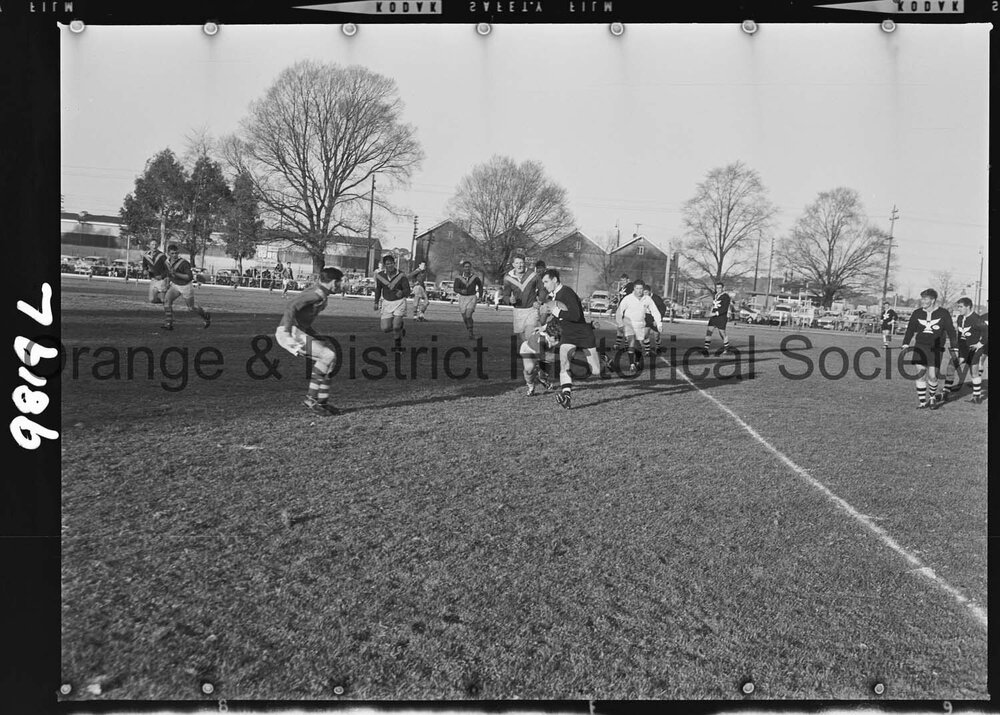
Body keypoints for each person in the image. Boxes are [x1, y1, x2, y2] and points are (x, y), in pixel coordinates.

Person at [275, 267, 344, 416]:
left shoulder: (321, 294)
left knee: (331, 359)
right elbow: (291, 306)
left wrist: (315, 334)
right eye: (340, 282)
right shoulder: (318, 294)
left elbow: (302, 320)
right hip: (290, 332)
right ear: (333, 282)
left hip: (296, 330)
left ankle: (322, 402)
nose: (340, 286)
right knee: (328, 356)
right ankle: (311, 399)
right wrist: (287, 332)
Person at [541, 269, 604, 410]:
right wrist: (544, 327)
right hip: (568, 335)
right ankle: (566, 397)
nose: (544, 285)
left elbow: (575, 316)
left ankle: (603, 358)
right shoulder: (554, 296)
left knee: (596, 371)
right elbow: (558, 318)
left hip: (583, 334)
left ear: (555, 280)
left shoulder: (567, 292)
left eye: (546, 281)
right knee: (564, 364)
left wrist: (557, 311)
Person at [901, 288, 960, 410]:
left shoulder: (943, 313)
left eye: (926, 299)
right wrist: (906, 343)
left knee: (933, 376)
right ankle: (922, 402)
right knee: (920, 374)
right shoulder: (917, 313)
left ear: (933, 300)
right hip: (920, 346)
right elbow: (910, 329)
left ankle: (932, 397)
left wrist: (955, 346)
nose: (923, 301)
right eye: (922, 298)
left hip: (936, 347)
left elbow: (951, 331)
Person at [943, 297, 988, 404]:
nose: (959, 309)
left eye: (961, 307)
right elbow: (959, 335)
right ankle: (946, 392)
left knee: (974, 372)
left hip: (974, 350)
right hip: (962, 349)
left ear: (968, 307)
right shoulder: (959, 318)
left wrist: (979, 344)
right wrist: (956, 348)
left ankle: (976, 397)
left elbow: (987, 333)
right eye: (958, 306)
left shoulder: (977, 319)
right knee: (951, 366)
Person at [614, 280, 662, 374]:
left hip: (640, 324)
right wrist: (620, 324)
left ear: (643, 289)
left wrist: (659, 323)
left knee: (639, 345)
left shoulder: (647, 299)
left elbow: (655, 311)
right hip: (628, 324)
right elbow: (619, 311)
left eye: (641, 289)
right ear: (634, 289)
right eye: (637, 288)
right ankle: (632, 365)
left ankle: (636, 362)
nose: (639, 291)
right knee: (631, 341)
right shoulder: (628, 298)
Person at [161, 244, 211, 331]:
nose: (175, 255)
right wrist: (167, 283)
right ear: (168, 253)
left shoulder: (184, 263)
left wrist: (176, 273)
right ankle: (168, 323)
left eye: (176, 253)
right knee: (166, 301)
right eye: (172, 253)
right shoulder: (166, 262)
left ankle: (205, 315)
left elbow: (189, 277)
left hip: (185, 286)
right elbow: (168, 274)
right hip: (175, 285)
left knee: (191, 308)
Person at [500, 255, 545, 342]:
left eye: (521, 263)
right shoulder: (508, 278)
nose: (520, 265)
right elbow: (505, 295)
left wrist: (539, 301)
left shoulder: (533, 275)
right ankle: (530, 353)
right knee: (523, 337)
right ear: (513, 264)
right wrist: (509, 300)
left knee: (529, 334)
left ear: (524, 263)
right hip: (518, 311)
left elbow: (542, 289)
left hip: (532, 309)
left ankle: (535, 351)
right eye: (517, 263)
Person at [374, 254, 411, 354]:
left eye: (391, 263)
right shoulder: (380, 276)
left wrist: (402, 292)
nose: (389, 266)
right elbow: (378, 289)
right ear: (384, 265)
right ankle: (400, 327)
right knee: (385, 328)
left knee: (395, 327)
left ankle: (398, 348)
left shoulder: (401, 275)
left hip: (399, 303)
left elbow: (408, 290)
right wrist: (376, 302)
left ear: (394, 263)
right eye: (387, 264)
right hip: (386, 303)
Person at [519, 319, 560, 396]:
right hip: (528, 351)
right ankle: (531, 386)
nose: (557, 341)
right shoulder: (540, 340)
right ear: (548, 335)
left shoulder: (553, 335)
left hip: (542, 352)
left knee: (546, 370)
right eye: (555, 339)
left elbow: (554, 320)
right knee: (529, 369)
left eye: (558, 338)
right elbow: (542, 356)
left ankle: (542, 378)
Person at [453, 260, 484, 339]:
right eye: (465, 267)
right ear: (463, 268)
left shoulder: (475, 277)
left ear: (470, 268)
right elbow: (455, 288)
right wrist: (460, 291)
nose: (467, 268)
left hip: (472, 297)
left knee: (468, 315)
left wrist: (480, 296)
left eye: (468, 267)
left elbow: (480, 286)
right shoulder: (458, 278)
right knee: (464, 317)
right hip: (462, 298)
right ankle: (469, 330)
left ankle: (471, 333)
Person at [701, 281, 733, 356]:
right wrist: (710, 312)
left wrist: (715, 313)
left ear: (723, 288)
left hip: (721, 317)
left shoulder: (726, 296)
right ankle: (705, 349)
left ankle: (727, 348)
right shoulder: (716, 295)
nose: (718, 289)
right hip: (713, 317)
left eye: (720, 287)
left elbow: (724, 308)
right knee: (709, 331)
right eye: (717, 287)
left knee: (722, 333)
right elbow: (714, 305)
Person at [141, 238, 170, 305]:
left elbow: (168, 268)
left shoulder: (162, 256)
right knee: (152, 300)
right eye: (152, 244)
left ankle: (165, 295)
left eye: (156, 244)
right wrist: (145, 270)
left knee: (163, 299)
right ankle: (162, 299)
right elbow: (144, 265)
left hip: (162, 280)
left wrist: (163, 276)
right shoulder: (146, 255)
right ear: (149, 245)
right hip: (153, 279)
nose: (154, 246)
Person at [642, 285, 668, 355]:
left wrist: (657, 320)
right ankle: (647, 351)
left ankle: (658, 347)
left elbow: (663, 309)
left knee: (656, 335)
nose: (645, 294)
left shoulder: (656, 298)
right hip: (647, 317)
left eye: (646, 292)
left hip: (655, 317)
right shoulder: (642, 298)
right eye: (644, 292)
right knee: (645, 334)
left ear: (650, 291)